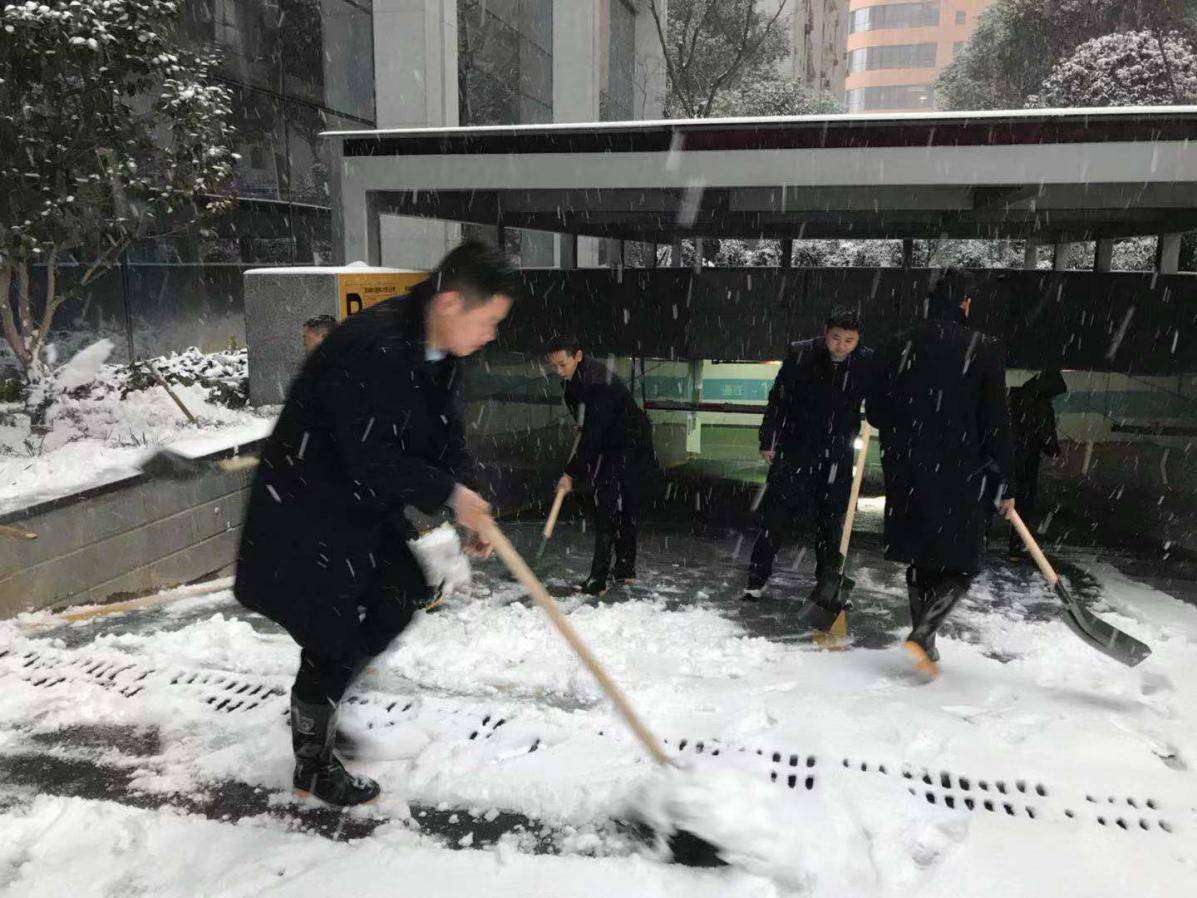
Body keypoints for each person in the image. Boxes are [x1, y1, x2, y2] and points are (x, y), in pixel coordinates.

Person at [234, 240, 520, 806]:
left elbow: (445, 435)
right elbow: (370, 456)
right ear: (450, 303)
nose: (492, 334)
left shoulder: (440, 350)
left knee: (400, 594)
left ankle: (319, 702)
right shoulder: (373, 347)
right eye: (489, 321)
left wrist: (468, 501)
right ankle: (313, 763)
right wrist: (451, 495)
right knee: (332, 634)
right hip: (307, 511)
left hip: (360, 505)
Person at [867, 269, 1015, 677]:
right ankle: (923, 634)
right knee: (963, 563)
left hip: (906, 468)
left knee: (921, 556)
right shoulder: (984, 348)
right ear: (964, 303)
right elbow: (996, 422)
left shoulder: (896, 345)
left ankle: (925, 642)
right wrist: (1005, 480)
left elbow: (876, 413)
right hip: (961, 470)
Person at [744, 308, 872, 620]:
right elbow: (778, 400)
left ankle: (828, 585)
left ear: (858, 340)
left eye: (849, 341)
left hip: (837, 452)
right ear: (825, 333)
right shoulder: (801, 355)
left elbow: (879, 399)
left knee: (832, 522)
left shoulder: (866, 361)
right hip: (795, 447)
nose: (841, 346)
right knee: (776, 516)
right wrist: (769, 439)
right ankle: (756, 579)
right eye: (836, 338)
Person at [545, 337, 657, 596]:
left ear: (578, 356)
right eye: (554, 366)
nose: (559, 371)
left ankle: (601, 577)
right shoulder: (574, 381)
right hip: (613, 440)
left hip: (629, 444)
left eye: (563, 364)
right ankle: (623, 570)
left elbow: (594, 436)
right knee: (615, 503)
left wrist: (570, 472)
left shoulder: (598, 383)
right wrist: (582, 425)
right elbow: (588, 425)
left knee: (613, 504)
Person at [1006, 368, 1066, 558]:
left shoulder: (1013, 396)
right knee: (1023, 504)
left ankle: (981, 543)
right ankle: (1016, 546)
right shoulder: (1042, 406)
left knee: (993, 499)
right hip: (1026, 460)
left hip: (1002, 457)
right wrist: (1054, 451)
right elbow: (1047, 436)